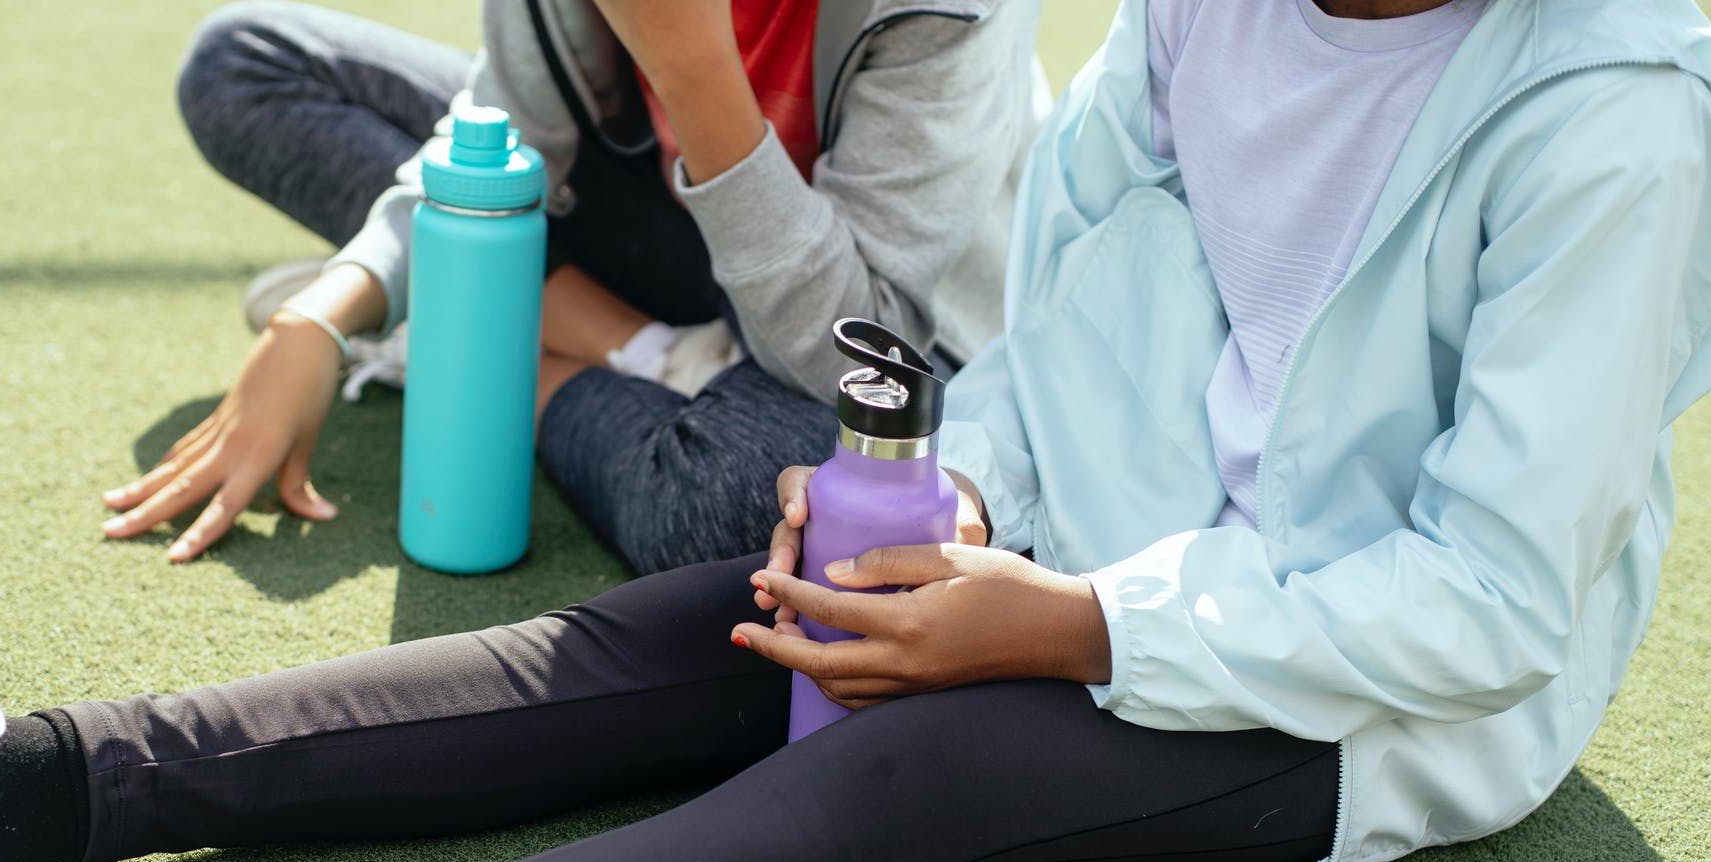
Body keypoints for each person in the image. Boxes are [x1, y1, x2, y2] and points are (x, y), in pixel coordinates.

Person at [0, 0, 1711, 862]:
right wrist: (949, 497)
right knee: (712, 621)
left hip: (1362, 687)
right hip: (1075, 545)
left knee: (894, 786)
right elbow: (1057, 348)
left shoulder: (1615, 119)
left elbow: (1489, 600)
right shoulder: (1197, 13)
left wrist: (1069, 628)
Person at [97, 0, 1044, 573]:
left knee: (763, 501)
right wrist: (327, 311)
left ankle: (459, 335)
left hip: (862, 317)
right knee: (245, 63)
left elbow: (859, 350)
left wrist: (694, 70)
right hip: (654, 226)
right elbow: (496, 140)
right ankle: (634, 347)